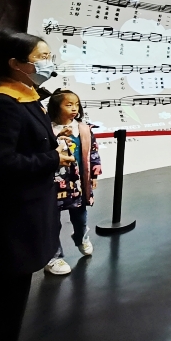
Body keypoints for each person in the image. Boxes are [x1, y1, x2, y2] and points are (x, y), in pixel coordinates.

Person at [0, 31, 71, 341]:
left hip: (29, 209)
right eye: (42, 58)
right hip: (11, 217)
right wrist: (53, 158)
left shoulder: (27, 94)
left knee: (12, 301)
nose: (49, 62)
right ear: (15, 63)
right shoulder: (0, 103)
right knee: (1, 307)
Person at [47, 89, 102, 275]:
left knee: (80, 214)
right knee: (51, 220)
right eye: (68, 104)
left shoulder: (83, 128)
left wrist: (93, 175)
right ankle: (54, 256)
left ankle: (81, 237)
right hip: (52, 184)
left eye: (76, 104)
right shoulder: (47, 129)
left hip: (77, 182)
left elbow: (93, 152)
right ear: (56, 107)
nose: (74, 108)